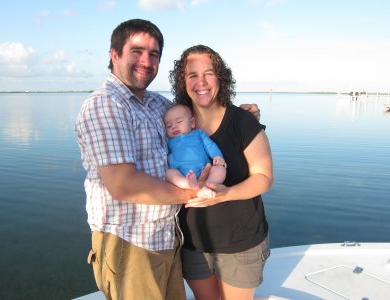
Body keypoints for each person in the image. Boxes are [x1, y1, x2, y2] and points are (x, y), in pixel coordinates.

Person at [75, 19, 261, 300]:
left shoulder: (155, 104)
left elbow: (198, 117)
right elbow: (124, 185)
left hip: (167, 239)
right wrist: (194, 193)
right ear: (115, 54)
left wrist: (244, 116)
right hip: (130, 244)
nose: (146, 61)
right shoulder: (106, 104)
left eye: (154, 54)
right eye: (137, 51)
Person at [169, 45, 274, 300]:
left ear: (221, 77)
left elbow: (264, 178)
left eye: (209, 73)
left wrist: (226, 194)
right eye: (192, 75)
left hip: (241, 243)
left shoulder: (242, 121)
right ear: (183, 82)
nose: (201, 82)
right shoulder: (174, 121)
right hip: (193, 244)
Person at [164, 104, 226, 198]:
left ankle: (207, 187)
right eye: (169, 126)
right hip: (182, 173)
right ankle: (188, 184)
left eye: (179, 121)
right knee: (169, 173)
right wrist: (170, 160)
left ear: (192, 122)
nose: (174, 127)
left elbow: (209, 145)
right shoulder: (169, 142)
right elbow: (167, 155)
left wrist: (217, 156)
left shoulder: (198, 134)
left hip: (203, 168)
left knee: (220, 168)